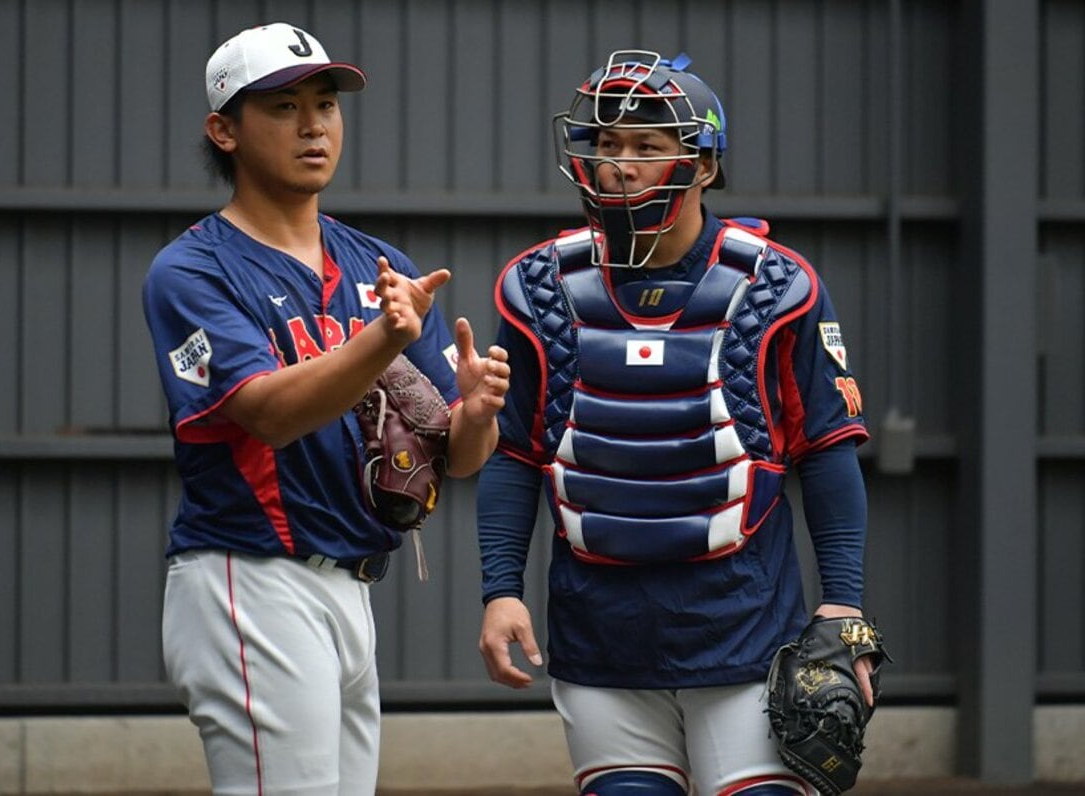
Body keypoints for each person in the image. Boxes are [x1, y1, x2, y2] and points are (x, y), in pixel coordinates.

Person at [476, 50, 875, 796]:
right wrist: (500, 590)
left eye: (648, 147)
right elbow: (516, 454)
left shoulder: (777, 285)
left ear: (703, 164)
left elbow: (827, 449)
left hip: (747, 636)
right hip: (600, 642)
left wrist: (843, 605)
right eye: (606, 145)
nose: (620, 165)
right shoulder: (538, 287)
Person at [142, 22, 509, 795]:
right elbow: (267, 412)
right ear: (224, 130)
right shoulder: (191, 270)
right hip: (250, 579)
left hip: (352, 590)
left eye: (325, 104)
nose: (313, 125)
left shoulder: (380, 267)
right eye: (282, 107)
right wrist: (381, 338)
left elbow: (461, 457)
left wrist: (474, 414)